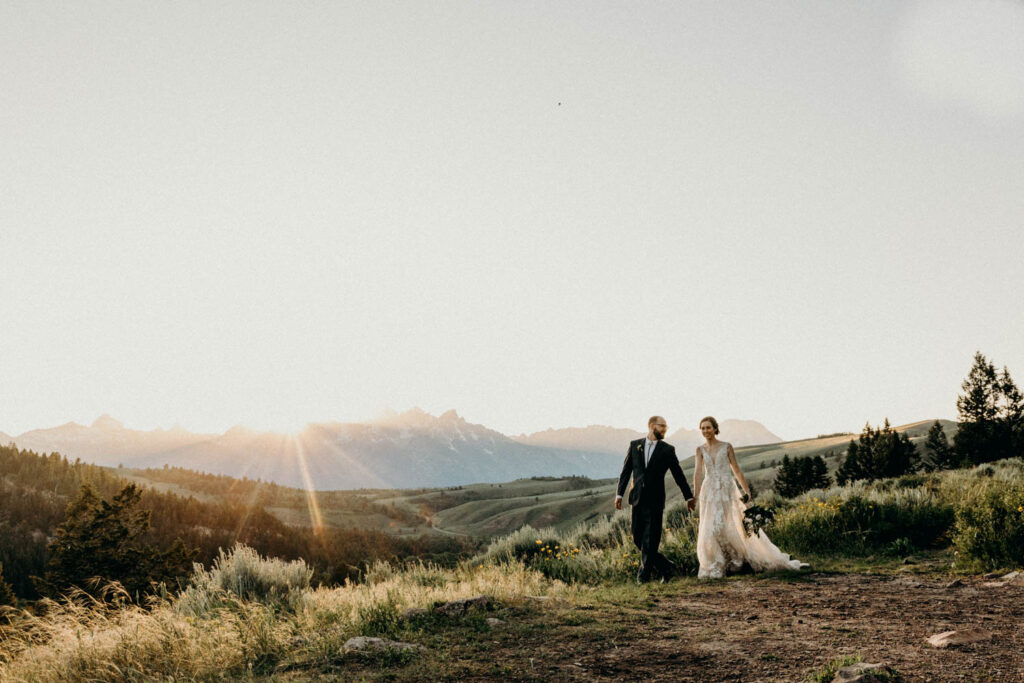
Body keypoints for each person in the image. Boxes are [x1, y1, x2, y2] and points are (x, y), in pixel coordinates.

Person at [693, 415, 807, 579]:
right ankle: (716, 563)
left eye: (708, 427)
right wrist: (695, 496)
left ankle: (737, 561)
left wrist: (746, 491)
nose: (705, 431)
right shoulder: (700, 450)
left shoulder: (726, 447)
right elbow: (697, 473)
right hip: (709, 491)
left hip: (726, 489)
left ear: (715, 429)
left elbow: (736, 470)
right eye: (703, 428)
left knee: (730, 523)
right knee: (710, 526)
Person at [616, 416, 696, 583]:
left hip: (655, 500)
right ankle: (666, 566)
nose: (665, 430)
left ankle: (643, 576)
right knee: (637, 537)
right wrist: (619, 494)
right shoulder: (634, 445)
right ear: (652, 426)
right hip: (636, 498)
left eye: (666, 427)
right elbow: (626, 471)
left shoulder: (667, 450)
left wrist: (688, 496)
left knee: (650, 539)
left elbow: (678, 474)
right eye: (662, 427)